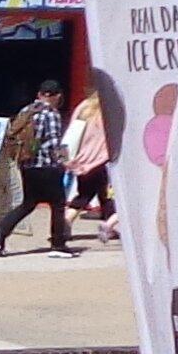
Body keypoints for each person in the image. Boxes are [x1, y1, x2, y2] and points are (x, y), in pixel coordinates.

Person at [0, 100, 73, 256]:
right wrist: (62, 161)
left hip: (27, 165)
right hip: (48, 166)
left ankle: (0, 231)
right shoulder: (51, 113)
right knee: (58, 204)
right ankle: (58, 245)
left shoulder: (26, 110)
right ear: (57, 96)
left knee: (28, 203)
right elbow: (54, 142)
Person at [60, 82, 117, 246]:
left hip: (80, 159)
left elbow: (71, 131)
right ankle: (67, 220)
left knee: (102, 194)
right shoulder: (108, 112)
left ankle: (109, 225)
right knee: (88, 194)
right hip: (100, 160)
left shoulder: (84, 107)